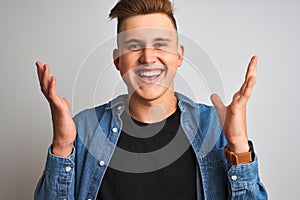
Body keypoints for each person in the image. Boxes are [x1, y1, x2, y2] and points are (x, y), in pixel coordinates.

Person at [34, 0, 268, 199]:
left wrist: (238, 144)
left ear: (179, 56)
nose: (147, 57)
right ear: (118, 61)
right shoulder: (84, 129)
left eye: (160, 44)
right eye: (134, 46)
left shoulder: (214, 127)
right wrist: (63, 146)